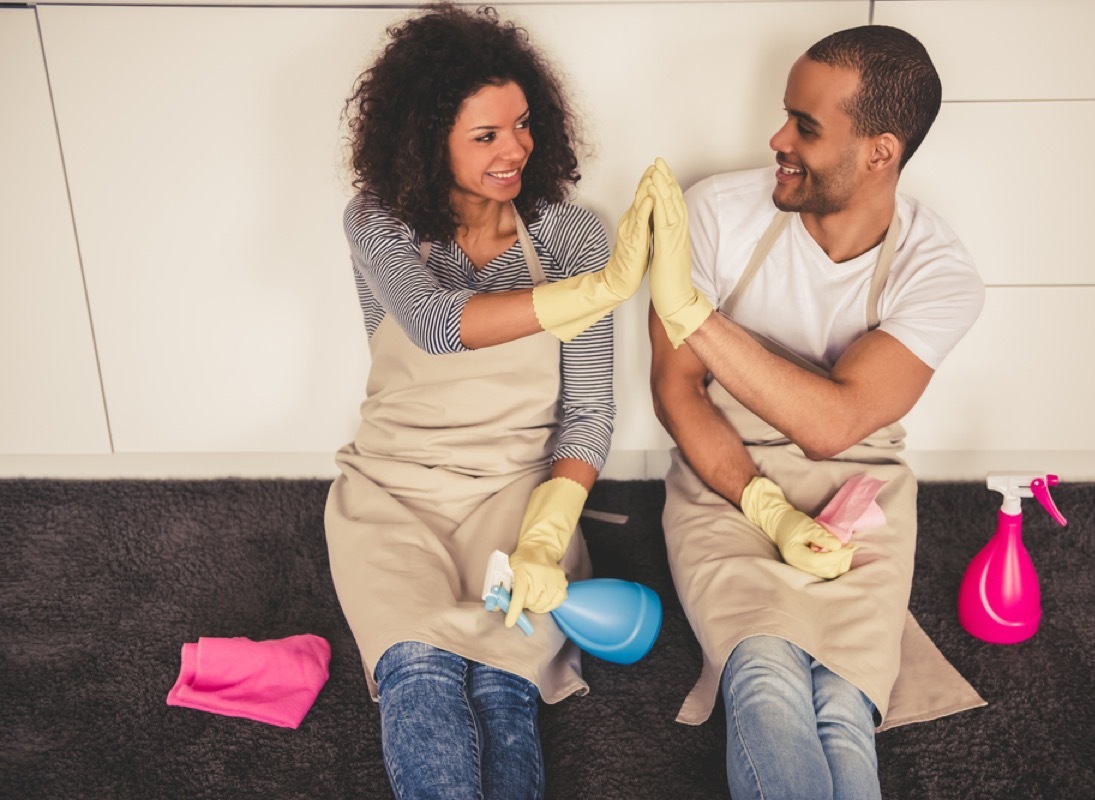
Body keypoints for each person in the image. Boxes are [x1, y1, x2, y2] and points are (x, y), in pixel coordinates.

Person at [645, 25, 987, 800]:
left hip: (858, 492)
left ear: (879, 152)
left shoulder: (938, 273)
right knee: (764, 675)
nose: (778, 139)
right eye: (785, 115)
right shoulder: (716, 214)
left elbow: (835, 426)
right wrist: (763, 504)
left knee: (843, 698)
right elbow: (677, 392)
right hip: (722, 474)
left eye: (806, 126)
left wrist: (690, 312)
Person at [323, 4, 653, 798]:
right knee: (418, 669)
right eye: (485, 137)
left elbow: (588, 415)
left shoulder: (570, 238)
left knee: (503, 679)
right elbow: (437, 325)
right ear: (425, 139)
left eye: (524, 125)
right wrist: (598, 293)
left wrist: (547, 532)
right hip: (393, 493)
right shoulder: (379, 222)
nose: (516, 151)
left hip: (515, 492)